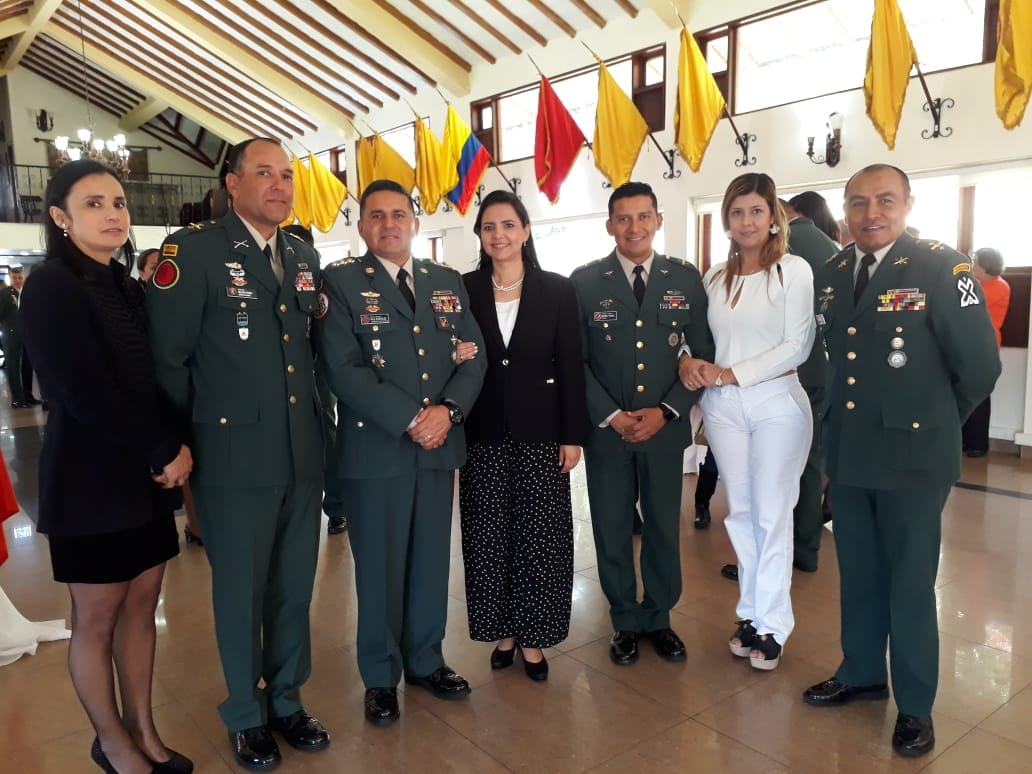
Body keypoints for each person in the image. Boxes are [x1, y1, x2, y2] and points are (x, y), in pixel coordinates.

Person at [802, 164, 1000, 757]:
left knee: (910, 584)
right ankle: (862, 672)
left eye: (885, 200)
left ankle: (915, 706)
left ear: (908, 204)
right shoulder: (835, 271)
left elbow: (980, 368)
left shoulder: (943, 265)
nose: (871, 214)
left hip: (914, 458)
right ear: (845, 211)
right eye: (858, 203)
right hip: (853, 451)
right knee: (859, 573)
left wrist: (935, 422)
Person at [147, 138, 330, 770]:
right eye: (263, 173)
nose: (279, 185)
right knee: (241, 591)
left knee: (292, 587)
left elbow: (309, 353)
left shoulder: (303, 256)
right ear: (232, 183)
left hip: (301, 451)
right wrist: (181, 446)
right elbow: (168, 362)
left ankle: (286, 698)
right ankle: (245, 715)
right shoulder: (191, 251)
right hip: (230, 456)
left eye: (287, 175)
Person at [20, 159, 194, 774]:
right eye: (93, 204)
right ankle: (113, 744)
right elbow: (80, 391)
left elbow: (154, 382)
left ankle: (144, 730)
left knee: (143, 608)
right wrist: (161, 450)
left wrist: (173, 446)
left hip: (143, 481)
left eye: (118, 203)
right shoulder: (51, 285)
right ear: (61, 218)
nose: (112, 214)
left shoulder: (125, 284)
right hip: (89, 480)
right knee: (95, 619)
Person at [316, 179, 486, 724]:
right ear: (362, 226)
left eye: (399, 214)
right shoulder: (340, 283)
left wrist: (448, 412)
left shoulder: (445, 281)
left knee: (432, 562)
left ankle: (426, 659)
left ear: (415, 222)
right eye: (377, 216)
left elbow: (472, 356)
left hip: (438, 448)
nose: (389, 224)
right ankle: (381, 675)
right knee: (380, 569)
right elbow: (343, 368)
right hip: (377, 450)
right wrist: (414, 418)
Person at [571, 181, 713, 667]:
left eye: (643, 216)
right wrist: (610, 415)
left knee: (661, 526)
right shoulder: (585, 281)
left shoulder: (685, 278)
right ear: (610, 225)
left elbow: (702, 355)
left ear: (658, 220)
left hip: (664, 428)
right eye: (623, 218)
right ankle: (625, 620)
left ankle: (658, 616)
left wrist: (668, 409)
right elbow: (575, 361)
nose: (634, 227)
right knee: (611, 527)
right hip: (607, 432)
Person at [680, 173, 814, 671]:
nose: (747, 221)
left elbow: (796, 345)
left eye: (757, 211)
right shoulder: (714, 276)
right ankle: (751, 614)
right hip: (723, 406)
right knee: (739, 512)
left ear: (774, 216)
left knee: (771, 513)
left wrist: (732, 373)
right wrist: (688, 363)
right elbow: (694, 337)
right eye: (737, 212)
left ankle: (774, 625)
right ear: (727, 221)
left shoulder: (794, 271)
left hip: (776, 401)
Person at [459, 190, 586, 681]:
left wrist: (572, 434)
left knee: (541, 540)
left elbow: (571, 364)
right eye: (489, 227)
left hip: (541, 432)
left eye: (509, 225)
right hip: (482, 431)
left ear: (526, 231)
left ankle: (533, 638)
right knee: (488, 538)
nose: (499, 235)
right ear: (481, 235)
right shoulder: (464, 288)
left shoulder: (555, 289)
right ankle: (503, 632)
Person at [783, 195, 840, 572]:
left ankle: (778, 552)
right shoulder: (834, 246)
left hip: (791, 371)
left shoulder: (786, 244)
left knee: (782, 464)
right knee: (812, 460)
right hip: (827, 369)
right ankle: (806, 550)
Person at [282, 223, 348, 535]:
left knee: (326, 433)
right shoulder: (274, 274)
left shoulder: (321, 282)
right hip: (283, 370)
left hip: (318, 369)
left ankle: (336, 505)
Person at [962, 247, 1010, 457]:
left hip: (983, 345)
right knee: (965, 393)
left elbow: (966, 304)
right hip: (970, 343)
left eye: (975, 262)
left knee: (979, 396)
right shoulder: (983, 284)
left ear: (985, 266)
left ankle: (978, 444)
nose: (972, 266)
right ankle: (966, 440)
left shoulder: (997, 286)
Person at [0, 266, 40, 408]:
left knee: (28, 366)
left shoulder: (26, 293)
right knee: (13, 367)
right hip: (11, 336)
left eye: (20, 277)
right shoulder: (4, 294)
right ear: (10, 278)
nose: (17, 280)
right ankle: (17, 399)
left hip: (27, 335)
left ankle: (28, 396)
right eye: (14, 278)